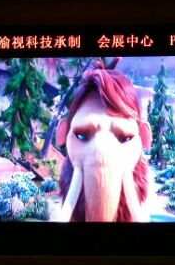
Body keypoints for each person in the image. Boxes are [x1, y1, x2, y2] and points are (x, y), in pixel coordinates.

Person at [54, 67, 151, 222]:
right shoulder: (69, 175)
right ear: (63, 134)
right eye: (81, 135)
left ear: (144, 137)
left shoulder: (144, 187)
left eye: (125, 138)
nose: (100, 148)